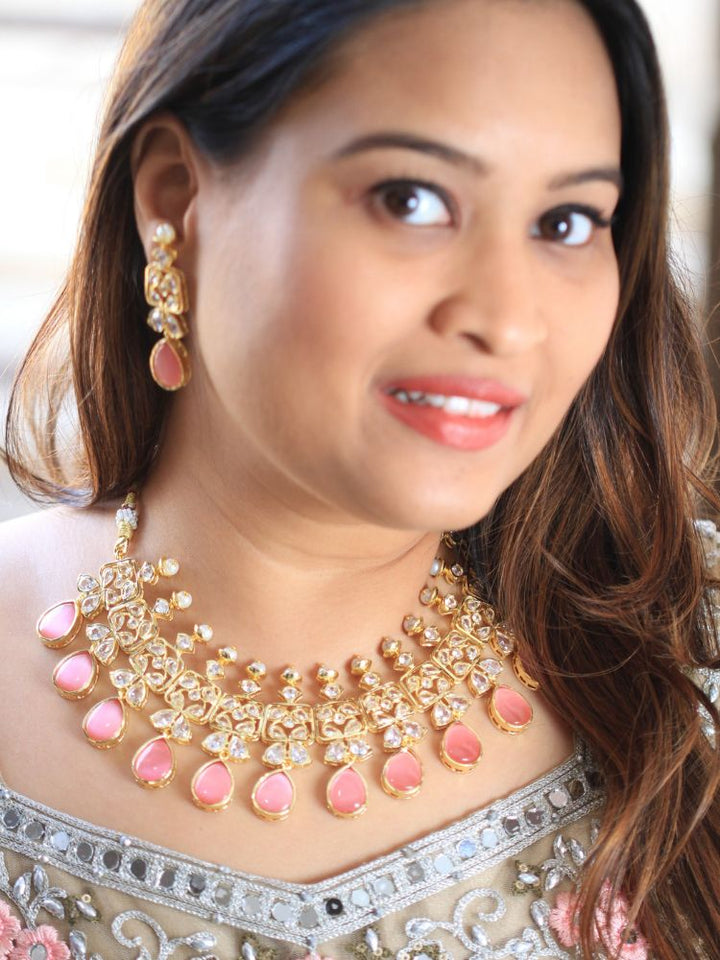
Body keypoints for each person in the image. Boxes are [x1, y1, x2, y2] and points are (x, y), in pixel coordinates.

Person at [0, 0, 718, 957]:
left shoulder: (685, 667)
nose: (508, 320)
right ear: (175, 196)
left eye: (566, 220)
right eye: (411, 199)